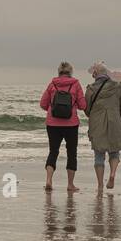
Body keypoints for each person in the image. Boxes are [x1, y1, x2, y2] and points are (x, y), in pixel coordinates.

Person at [40, 62, 87, 192]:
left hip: (52, 124)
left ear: (59, 72)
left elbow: (43, 104)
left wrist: (52, 110)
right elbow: (83, 105)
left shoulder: (52, 84)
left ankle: (49, 180)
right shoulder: (75, 84)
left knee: (53, 151)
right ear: (70, 72)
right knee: (72, 152)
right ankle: (70, 185)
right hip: (71, 124)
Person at [84, 62, 121, 190]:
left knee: (99, 155)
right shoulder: (118, 87)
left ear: (95, 74)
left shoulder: (91, 89)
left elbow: (87, 110)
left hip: (97, 124)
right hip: (115, 122)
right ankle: (112, 174)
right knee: (114, 152)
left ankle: (100, 185)